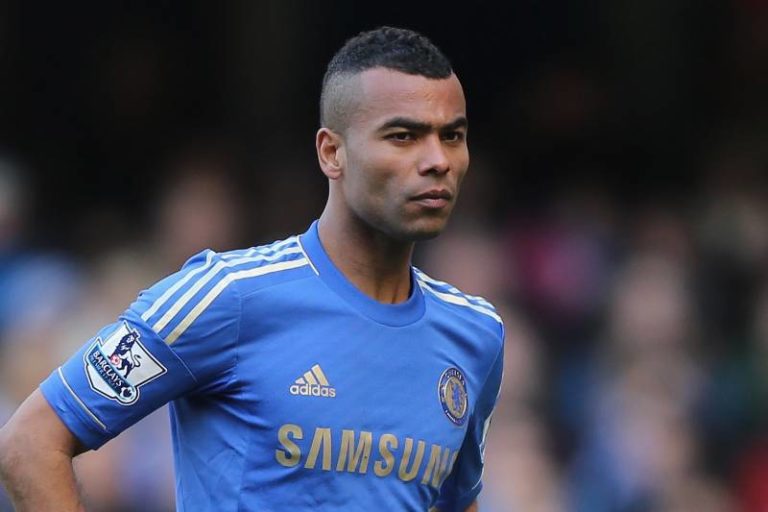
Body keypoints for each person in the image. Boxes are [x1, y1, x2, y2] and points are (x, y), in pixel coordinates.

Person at [0, 26, 504, 512]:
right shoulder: (225, 295)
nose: (437, 160)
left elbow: (455, 501)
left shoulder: (475, 334)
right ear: (332, 152)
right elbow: (30, 443)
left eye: (452, 136)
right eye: (404, 136)